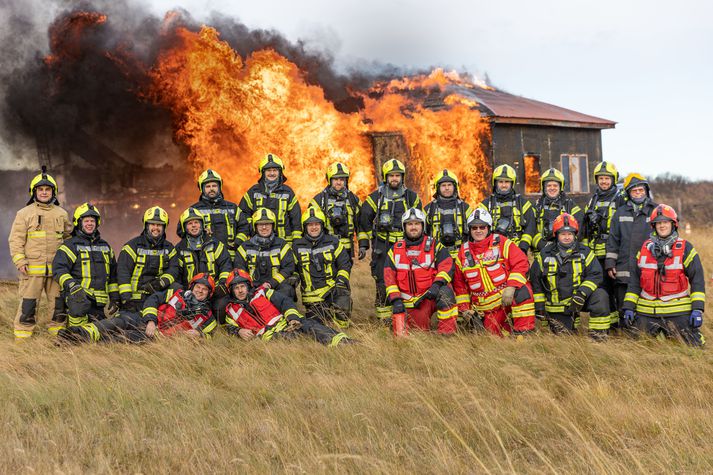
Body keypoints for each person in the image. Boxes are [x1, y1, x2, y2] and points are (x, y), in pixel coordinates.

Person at [622, 204, 705, 346]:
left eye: (665, 222)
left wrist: (697, 309)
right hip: (647, 312)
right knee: (635, 346)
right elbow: (635, 282)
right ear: (653, 226)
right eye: (658, 223)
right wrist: (629, 307)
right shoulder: (643, 249)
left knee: (695, 345)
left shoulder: (685, 248)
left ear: (673, 224)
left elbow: (697, 280)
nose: (662, 226)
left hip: (677, 312)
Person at [56, 273, 217, 344]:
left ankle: (79, 344)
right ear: (192, 286)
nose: (200, 291)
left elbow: (211, 335)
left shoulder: (207, 316)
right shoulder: (177, 293)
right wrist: (151, 321)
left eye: (205, 289)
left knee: (122, 338)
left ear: (209, 293)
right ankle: (78, 333)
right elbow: (153, 300)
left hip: (157, 337)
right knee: (117, 322)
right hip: (146, 321)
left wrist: (200, 335)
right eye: (198, 287)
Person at [8, 168, 72, 339]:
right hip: (31, 271)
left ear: (53, 192)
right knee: (28, 306)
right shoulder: (24, 214)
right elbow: (15, 240)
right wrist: (20, 262)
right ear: (34, 192)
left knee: (58, 307)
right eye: (40, 189)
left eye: (48, 189)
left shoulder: (62, 214)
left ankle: (57, 338)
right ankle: (23, 339)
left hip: (56, 272)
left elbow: (69, 240)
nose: (44, 192)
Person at [452, 208, 535, 337]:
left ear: (488, 228)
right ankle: (508, 331)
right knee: (493, 339)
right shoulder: (463, 252)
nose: (478, 231)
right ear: (470, 230)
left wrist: (512, 286)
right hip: (485, 310)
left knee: (523, 291)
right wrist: (465, 310)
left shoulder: (502, 242)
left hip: (506, 300)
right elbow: (459, 285)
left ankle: (523, 334)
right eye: (474, 228)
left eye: (482, 227)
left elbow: (521, 262)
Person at [358, 159, 422, 322]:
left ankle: (408, 316)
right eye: (391, 175)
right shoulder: (376, 197)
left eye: (397, 175)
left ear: (402, 177)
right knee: (382, 281)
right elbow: (364, 219)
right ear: (385, 177)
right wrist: (364, 244)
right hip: (382, 245)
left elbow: (421, 222)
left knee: (407, 278)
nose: (394, 178)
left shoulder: (411, 197)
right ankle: (384, 319)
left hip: (405, 246)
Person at [530, 213, 610, 339]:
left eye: (570, 234)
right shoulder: (544, 254)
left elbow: (596, 275)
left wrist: (582, 294)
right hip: (557, 306)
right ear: (556, 235)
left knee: (601, 296)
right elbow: (536, 280)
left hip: (579, 299)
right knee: (565, 339)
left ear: (575, 235)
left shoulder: (585, 252)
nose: (567, 237)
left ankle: (598, 338)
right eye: (563, 234)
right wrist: (539, 306)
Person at [224, 269, 351, 346]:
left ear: (248, 286)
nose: (240, 291)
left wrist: (292, 318)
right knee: (297, 340)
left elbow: (285, 301)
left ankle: (343, 342)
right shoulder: (231, 311)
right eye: (236, 288)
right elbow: (229, 328)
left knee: (312, 326)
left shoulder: (262, 293)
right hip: (272, 337)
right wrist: (238, 331)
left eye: (242, 286)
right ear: (232, 291)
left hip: (289, 323)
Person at [383, 208, 458, 335]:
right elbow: (389, 279)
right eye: (410, 224)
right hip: (408, 303)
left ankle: (447, 334)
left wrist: (437, 285)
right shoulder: (395, 250)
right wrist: (396, 301)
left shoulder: (435, 245)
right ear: (404, 226)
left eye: (417, 223)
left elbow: (447, 265)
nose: (413, 227)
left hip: (429, 297)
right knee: (414, 338)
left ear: (423, 226)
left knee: (446, 293)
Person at [53, 203, 119, 329]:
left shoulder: (105, 247)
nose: (90, 223)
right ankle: (73, 335)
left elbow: (112, 276)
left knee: (102, 335)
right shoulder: (70, 246)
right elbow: (59, 269)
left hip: (98, 303)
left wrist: (115, 297)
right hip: (78, 299)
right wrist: (72, 285)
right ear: (79, 223)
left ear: (97, 223)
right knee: (79, 331)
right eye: (86, 221)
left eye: (92, 221)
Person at [606, 173, 658, 324]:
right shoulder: (620, 213)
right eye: (634, 191)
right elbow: (613, 240)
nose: (638, 193)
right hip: (624, 266)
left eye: (641, 190)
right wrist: (610, 263)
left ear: (646, 191)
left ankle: (644, 328)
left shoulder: (656, 211)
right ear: (628, 193)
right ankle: (627, 331)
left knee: (646, 300)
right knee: (623, 300)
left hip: (648, 266)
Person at [293, 207, 352, 328]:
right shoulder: (297, 246)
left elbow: (344, 264)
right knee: (318, 327)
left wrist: (340, 282)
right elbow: (292, 269)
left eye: (316, 224)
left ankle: (342, 329)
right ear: (305, 227)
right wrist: (293, 278)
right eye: (310, 225)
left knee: (343, 298)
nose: (313, 227)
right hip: (312, 297)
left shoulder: (333, 242)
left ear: (322, 225)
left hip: (332, 291)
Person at [582, 161, 625, 328]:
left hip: (614, 254)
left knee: (617, 290)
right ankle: (612, 326)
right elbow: (585, 230)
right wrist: (586, 253)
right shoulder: (592, 200)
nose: (604, 182)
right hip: (596, 256)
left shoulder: (621, 199)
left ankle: (623, 325)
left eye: (607, 178)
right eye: (601, 178)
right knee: (603, 290)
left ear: (613, 180)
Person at [174, 207, 232, 324]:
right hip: (190, 294)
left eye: (196, 222)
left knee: (221, 306)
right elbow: (176, 274)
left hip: (214, 292)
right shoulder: (179, 249)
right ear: (185, 227)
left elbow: (225, 265)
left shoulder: (215, 244)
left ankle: (220, 331)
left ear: (202, 225)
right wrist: (184, 293)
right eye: (190, 223)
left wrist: (221, 285)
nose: (194, 225)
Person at [117, 206, 178, 312]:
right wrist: (127, 300)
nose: (156, 228)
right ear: (146, 225)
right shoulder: (132, 246)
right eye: (152, 224)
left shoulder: (169, 248)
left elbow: (174, 269)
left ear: (164, 227)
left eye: (159, 225)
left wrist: (161, 282)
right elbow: (123, 272)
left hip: (156, 298)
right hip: (134, 301)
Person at [234, 208, 298, 301]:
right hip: (251, 290)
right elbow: (240, 270)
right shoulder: (244, 247)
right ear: (255, 226)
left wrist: (270, 283)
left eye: (267, 223)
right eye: (260, 224)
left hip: (276, 288)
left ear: (273, 225)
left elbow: (288, 268)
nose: (264, 227)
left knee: (288, 290)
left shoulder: (282, 245)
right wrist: (251, 288)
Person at [239, 153, 302, 243]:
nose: (272, 173)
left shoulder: (288, 192)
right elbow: (243, 214)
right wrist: (252, 228)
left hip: (284, 242)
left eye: (275, 170)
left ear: (280, 172)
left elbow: (296, 219)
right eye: (268, 170)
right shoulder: (253, 191)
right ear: (263, 172)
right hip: (258, 243)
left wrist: (297, 241)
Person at [189, 169, 250, 260]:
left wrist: (237, 242)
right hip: (205, 259)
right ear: (202, 189)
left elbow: (244, 227)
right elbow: (182, 231)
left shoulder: (232, 208)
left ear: (219, 187)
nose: (211, 189)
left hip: (231, 258)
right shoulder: (194, 210)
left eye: (214, 186)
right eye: (208, 186)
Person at [309, 162, 361, 261]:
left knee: (344, 275)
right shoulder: (319, 200)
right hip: (325, 247)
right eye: (335, 179)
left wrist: (363, 245)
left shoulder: (353, 199)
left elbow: (361, 224)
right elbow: (310, 225)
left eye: (342, 179)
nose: (339, 182)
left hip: (347, 249)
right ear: (329, 180)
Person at [479, 164, 535, 254]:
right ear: (495, 183)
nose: (504, 185)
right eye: (500, 182)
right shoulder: (485, 205)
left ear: (512, 183)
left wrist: (523, 247)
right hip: (492, 250)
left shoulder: (523, 204)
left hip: (517, 249)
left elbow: (530, 227)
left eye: (507, 182)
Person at [532, 168, 583, 256]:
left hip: (566, 254)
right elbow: (531, 229)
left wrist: (563, 245)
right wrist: (543, 245)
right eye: (549, 185)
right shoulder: (536, 207)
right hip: (541, 254)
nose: (552, 188)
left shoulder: (570, 206)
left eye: (555, 185)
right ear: (543, 187)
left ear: (561, 187)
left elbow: (579, 227)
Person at [424, 169, 472, 258]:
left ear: (455, 187)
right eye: (443, 185)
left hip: (461, 255)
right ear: (437, 188)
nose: (447, 188)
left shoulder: (465, 208)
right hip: (437, 255)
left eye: (449, 185)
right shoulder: (428, 209)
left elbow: (473, 233)